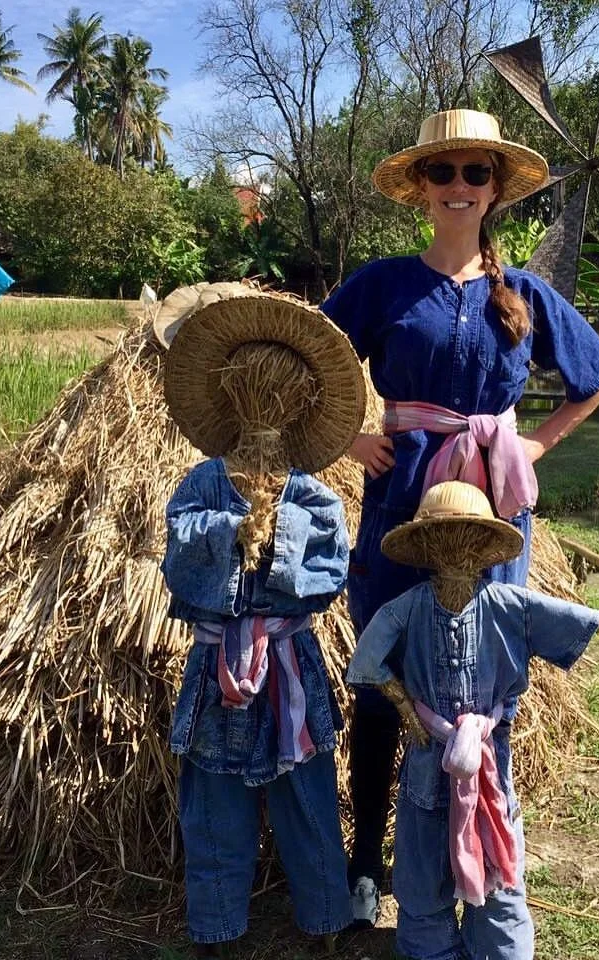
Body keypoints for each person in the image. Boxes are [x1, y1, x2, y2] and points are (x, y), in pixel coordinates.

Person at [320, 107, 599, 924]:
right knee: (384, 675)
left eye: (475, 172)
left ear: (494, 190)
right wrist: (349, 438)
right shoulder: (382, 284)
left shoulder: (525, 292)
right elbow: (308, 360)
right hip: (400, 503)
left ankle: (481, 850)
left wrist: (536, 445)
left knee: (485, 682)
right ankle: (366, 860)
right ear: (420, 187)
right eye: (443, 171)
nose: (459, 185)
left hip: (493, 513)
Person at [160, 294, 366, 956]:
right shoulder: (202, 484)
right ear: (230, 391)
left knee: (306, 795)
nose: (266, 399)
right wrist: (232, 530)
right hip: (217, 666)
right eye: (254, 384)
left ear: (300, 400)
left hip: (287, 665)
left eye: (280, 389)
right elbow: (178, 554)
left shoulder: (310, 491)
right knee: (214, 799)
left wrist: (279, 533)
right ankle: (216, 924)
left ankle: (325, 916)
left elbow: (331, 567)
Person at [346, 480, 599, 960]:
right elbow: (364, 662)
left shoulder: (507, 604)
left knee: (499, 870)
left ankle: (497, 948)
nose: (456, 550)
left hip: (488, 765)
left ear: (484, 545)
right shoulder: (408, 607)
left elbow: (577, 621)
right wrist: (404, 706)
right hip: (429, 760)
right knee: (423, 872)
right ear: (426, 546)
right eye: (444, 538)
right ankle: (432, 949)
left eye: (467, 538)